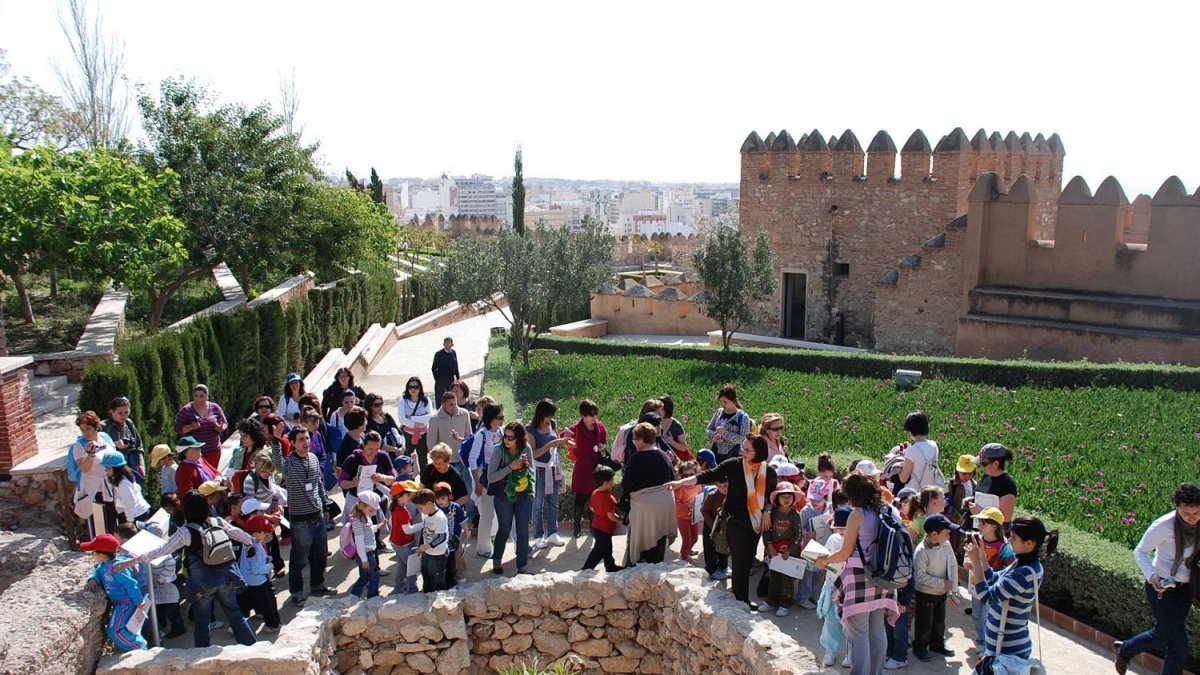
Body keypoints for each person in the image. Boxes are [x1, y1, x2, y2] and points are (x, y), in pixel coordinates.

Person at [812, 471, 901, 675]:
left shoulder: (857, 514)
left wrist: (822, 561)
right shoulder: (888, 510)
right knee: (878, 630)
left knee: (859, 632)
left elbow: (845, 552)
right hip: (884, 577)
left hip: (860, 578)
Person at [1114, 482, 1200, 675]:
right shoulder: (1164, 526)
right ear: (1177, 507)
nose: (1193, 518)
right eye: (1187, 513)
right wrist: (1151, 576)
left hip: (1186, 588)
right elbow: (1141, 551)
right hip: (1162, 587)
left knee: (1162, 635)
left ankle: (1125, 649)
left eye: (1197, 513)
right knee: (1178, 647)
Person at [967, 516, 1057, 669]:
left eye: (1014, 538)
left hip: (1007, 650)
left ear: (1029, 544)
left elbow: (986, 596)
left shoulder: (1023, 574)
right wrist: (981, 555)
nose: (1008, 541)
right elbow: (994, 578)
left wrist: (975, 562)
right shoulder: (1026, 564)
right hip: (1002, 647)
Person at [283, 427, 336, 606]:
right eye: (301, 439)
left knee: (320, 555)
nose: (306, 442)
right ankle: (296, 592)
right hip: (300, 520)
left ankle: (318, 584)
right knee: (299, 558)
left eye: (307, 438)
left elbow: (318, 484)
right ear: (292, 443)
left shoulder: (313, 458)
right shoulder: (289, 463)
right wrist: (276, 441)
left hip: (318, 516)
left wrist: (325, 505)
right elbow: (276, 463)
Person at [620, 422, 679, 566]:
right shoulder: (664, 456)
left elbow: (626, 485)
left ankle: (637, 569)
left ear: (641, 439)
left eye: (634, 439)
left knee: (641, 542)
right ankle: (656, 567)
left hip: (645, 506)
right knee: (659, 539)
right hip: (665, 504)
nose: (633, 442)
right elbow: (672, 477)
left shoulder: (635, 459)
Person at [81, 533, 147, 652]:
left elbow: (131, 584)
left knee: (114, 632)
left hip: (126, 603)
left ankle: (139, 647)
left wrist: (138, 601)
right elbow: (98, 572)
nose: (91, 555)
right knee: (126, 630)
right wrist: (93, 579)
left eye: (93, 552)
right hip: (119, 604)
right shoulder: (104, 565)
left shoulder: (117, 567)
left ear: (101, 555)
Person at [488, 421, 535, 575]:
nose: (506, 440)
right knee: (504, 528)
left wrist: (526, 467)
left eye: (511, 438)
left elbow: (533, 473)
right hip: (503, 494)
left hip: (523, 494)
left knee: (523, 531)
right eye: (505, 437)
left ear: (519, 439)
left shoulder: (526, 448)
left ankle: (522, 566)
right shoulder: (498, 450)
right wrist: (510, 468)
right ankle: (497, 560)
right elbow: (491, 477)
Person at [912, 514, 960, 662]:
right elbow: (919, 576)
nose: (949, 535)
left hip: (942, 591)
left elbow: (952, 564)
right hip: (926, 593)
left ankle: (937, 644)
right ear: (934, 534)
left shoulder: (946, 545)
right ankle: (920, 647)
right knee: (924, 622)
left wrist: (953, 587)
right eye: (946, 532)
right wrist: (941, 583)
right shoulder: (921, 551)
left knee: (939, 621)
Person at [968, 507, 1016, 643]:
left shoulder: (1005, 547)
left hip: (992, 588)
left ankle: (986, 645)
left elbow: (1010, 568)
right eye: (979, 521)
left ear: (994, 526)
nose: (979, 525)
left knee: (986, 617)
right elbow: (968, 556)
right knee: (976, 615)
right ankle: (980, 640)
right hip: (976, 584)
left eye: (983, 523)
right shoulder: (977, 539)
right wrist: (968, 562)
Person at [527, 398, 569, 549]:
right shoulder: (530, 429)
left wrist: (562, 443)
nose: (550, 419)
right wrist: (550, 444)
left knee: (553, 502)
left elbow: (556, 446)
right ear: (541, 414)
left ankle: (553, 533)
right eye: (548, 415)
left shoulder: (553, 424)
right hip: (538, 469)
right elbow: (534, 453)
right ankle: (538, 535)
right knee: (538, 503)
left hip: (553, 467)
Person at [761, 481, 804, 617]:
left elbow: (798, 535)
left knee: (787, 579)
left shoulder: (795, 515)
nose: (786, 499)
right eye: (783, 496)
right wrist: (769, 545)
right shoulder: (772, 513)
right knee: (774, 577)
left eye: (789, 496)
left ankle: (786, 603)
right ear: (777, 499)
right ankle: (772, 601)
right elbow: (766, 530)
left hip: (789, 552)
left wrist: (790, 550)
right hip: (774, 550)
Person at [566, 399, 608, 538]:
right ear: (583, 415)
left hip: (596, 465)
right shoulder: (577, 427)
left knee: (594, 498)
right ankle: (577, 526)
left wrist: (602, 447)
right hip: (582, 466)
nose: (594, 418)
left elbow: (604, 441)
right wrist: (574, 444)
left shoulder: (600, 426)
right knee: (580, 498)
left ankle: (593, 526)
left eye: (595, 414)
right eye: (591, 415)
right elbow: (563, 436)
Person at [71, 411, 117, 534]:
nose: (85, 433)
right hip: (93, 491)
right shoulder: (79, 446)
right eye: (82, 430)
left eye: (88, 429)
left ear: (97, 427)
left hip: (110, 487)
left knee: (113, 522)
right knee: (99, 527)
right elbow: (84, 468)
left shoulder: (105, 438)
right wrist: (90, 455)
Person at [819, 506, 853, 668]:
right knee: (831, 619)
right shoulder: (832, 539)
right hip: (832, 584)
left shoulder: (856, 540)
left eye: (844, 528)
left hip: (850, 587)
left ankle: (851, 651)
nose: (841, 531)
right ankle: (830, 649)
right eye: (839, 528)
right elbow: (825, 557)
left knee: (850, 622)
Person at [469, 403, 505, 558]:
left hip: (502, 476)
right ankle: (483, 547)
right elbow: (472, 459)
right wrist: (477, 482)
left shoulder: (503, 432)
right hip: (486, 477)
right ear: (491, 419)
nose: (503, 420)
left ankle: (497, 538)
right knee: (488, 513)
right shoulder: (481, 434)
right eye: (500, 417)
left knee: (502, 512)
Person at [237, 514, 281, 631]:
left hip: (248, 579)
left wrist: (266, 558)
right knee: (269, 603)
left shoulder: (248, 542)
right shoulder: (255, 547)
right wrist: (270, 566)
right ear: (256, 533)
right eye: (264, 532)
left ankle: (237, 624)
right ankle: (272, 625)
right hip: (258, 580)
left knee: (251, 600)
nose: (266, 534)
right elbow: (257, 568)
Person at [339, 431, 397, 518]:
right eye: (370, 448)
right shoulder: (353, 459)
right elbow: (341, 482)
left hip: (378, 500)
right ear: (363, 445)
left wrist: (383, 478)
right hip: (357, 502)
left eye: (377, 448)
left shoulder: (383, 456)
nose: (374, 452)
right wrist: (352, 483)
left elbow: (393, 478)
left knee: (377, 529)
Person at [797, 477, 833, 610]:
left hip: (824, 546)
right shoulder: (806, 511)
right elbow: (800, 528)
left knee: (820, 573)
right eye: (812, 499)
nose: (814, 502)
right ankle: (803, 597)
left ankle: (816, 595)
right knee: (808, 573)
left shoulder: (830, 509)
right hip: (810, 547)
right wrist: (807, 534)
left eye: (818, 499)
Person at [427, 391, 473, 493]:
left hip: (463, 460)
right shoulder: (435, 419)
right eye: (450, 404)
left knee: (469, 490)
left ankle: (470, 509)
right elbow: (431, 444)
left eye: (455, 403)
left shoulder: (464, 414)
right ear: (443, 404)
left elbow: (469, 436)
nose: (454, 407)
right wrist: (439, 462)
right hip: (446, 463)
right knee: (448, 492)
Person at [173, 384, 228, 468]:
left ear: (207, 396)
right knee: (198, 477)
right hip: (194, 452)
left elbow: (224, 423)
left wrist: (220, 428)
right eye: (196, 396)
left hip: (213, 450)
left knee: (211, 475)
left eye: (201, 396)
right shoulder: (186, 410)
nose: (198, 399)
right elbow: (177, 428)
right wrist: (191, 427)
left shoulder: (215, 407)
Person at [582, 465, 624, 572]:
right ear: (605, 483)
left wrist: (600, 513)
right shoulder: (607, 498)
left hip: (597, 527)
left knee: (607, 549)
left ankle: (610, 566)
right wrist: (621, 520)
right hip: (604, 529)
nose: (613, 483)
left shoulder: (595, 493)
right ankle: (586, 569)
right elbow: (611, 516)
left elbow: (592, 508)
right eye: (611, 481)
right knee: (599, 551)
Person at [965, 443, 1018, 524]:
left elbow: (1006, 517)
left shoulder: (1007, 484)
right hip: (978, 527)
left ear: (996, 464)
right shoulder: (986, 477)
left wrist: (980, 512)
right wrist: (971, 500)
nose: (981, 467)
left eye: (984, 464)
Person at [348, 490, 384, 599]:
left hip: (367, 553)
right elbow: (359, 542)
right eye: (371, 509)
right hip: (366, 554)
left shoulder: (365, 518)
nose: (372, 512)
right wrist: (364, 559)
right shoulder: (358, 522)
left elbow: (368, 530)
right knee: (374, 577)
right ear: (363, 506)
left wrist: (378, 526)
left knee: (364, 578)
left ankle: (353, 597)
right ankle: (372, 598)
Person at [704, 384, 751, 465]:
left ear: (733, 401)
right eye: (721, 401)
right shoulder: (719, 412)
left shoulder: (743, 417)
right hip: (716, 452)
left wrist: (725, 433)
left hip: (734, 456)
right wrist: (713, 436)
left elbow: (744, 439)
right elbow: (708, 430)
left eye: (725, 402)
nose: (722, 404)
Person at [388, 480, 421, 595]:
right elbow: (408, 530)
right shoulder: (402, 511)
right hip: (403, 544)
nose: (409, 496)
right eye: (407, 494)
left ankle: (398, 588)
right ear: (399, 496)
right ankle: (412, 589)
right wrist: (423, 524)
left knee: (402, 565)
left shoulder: (395, 507)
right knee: (412, 566)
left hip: (397, 542)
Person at [413, 488, 450, 591]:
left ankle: (439, 598)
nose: (420, 511)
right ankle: (427, 594)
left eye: (420, 508)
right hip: (427, 552)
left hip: (438, 555)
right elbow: (424, 532)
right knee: (426, 575)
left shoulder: (439, 517)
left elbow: (441, 537)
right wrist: (421, 546)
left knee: (437, 579)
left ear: (429, 504)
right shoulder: (427, 515)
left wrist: (427, 546)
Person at [102, 397, 145, 484]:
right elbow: (97, 449)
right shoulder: (103, 427)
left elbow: (138, 446)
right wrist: (114, 445)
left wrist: (140, 464)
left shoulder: (128, 423)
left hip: (130, 466)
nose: (124, 416)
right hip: (112, 468)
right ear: (111, 412)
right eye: (120, 413)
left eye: (126, 412)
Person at [101, 451, 151, 524]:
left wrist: (129, 520)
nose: (105, 470)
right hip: (137, 513)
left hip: (136, 515)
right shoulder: (124, 477)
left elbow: (130, 501)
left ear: (116, 468)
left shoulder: (123, 483)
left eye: (108, 468)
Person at [434, 482, 467, 587]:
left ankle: (461, 574)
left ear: (449, 496)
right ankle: (446, 577)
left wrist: (466, 530)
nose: (440, 502)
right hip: (442, 540)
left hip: (455, 538)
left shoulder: (455, 507)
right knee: (444, 560)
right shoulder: (435, 509)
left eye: (442, 498)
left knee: (458, 557)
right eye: (437, 499)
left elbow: (462, 520)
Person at [897, 411, 941, 491]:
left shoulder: (912, 450)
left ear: (910, 430)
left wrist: (898, 467)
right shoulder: (934, 445)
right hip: (931, 490)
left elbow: (903, 478)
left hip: (914, 491)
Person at [398, 376, 433, 469]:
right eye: (410, 387)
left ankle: (424, 481)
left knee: (423, 460)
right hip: (408, 435)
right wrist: (418, 421)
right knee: (407, 460)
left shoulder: (426, 401)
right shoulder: (403, 401)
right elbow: (402, 420)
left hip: (422, 434)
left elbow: (430, 418)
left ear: (420, 388)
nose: (413, 389)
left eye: (416, 387)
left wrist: (412, 418)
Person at [948, 454, 978, 560]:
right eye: (964, 473)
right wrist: (956, 517)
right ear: (957, 471)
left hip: (967, 519)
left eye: (970, 473)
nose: (967, 476)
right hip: (953, 519)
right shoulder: (951, 484)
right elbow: (947, 504)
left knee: (963, 541)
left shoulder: (974, 484)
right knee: (952, 541)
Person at [173, 435, 220, 501]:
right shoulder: (183, 471)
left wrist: (218, 480)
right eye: (196, 448)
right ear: (185, 453)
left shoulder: (200, 459)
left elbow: (215, 472)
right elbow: (189, 496)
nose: (199, 448)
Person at [701, 476, 730, 580]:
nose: (723, 488)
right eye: (720, 486)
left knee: (724, 546)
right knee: (710, 547)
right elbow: (704, 510)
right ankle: (712, 569)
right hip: (711, 524)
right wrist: (712, 525)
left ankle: (723, 566)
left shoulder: (732, 495)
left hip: (725, 525)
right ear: (716, 486)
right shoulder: (712, 496)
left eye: (726, 485)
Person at [673, 460, 702, 563]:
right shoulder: (681, 488)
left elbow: (700, 497)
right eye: (685, 475)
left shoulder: (698, 485)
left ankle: (687, 551)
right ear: (681, 476)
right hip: (682, 517)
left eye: (691, 475)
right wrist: (686, 505)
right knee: (687, 539)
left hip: (693, 516)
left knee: (694, 538)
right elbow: (675, 503)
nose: (688, 478)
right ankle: (684, 557)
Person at [658, 393, 692, 462]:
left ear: (667, 409)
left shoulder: (676, 426)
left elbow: (684, 447)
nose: (658, 411)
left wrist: (672, 442)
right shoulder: (655, 421)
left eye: (661, 409)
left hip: (673, 461)